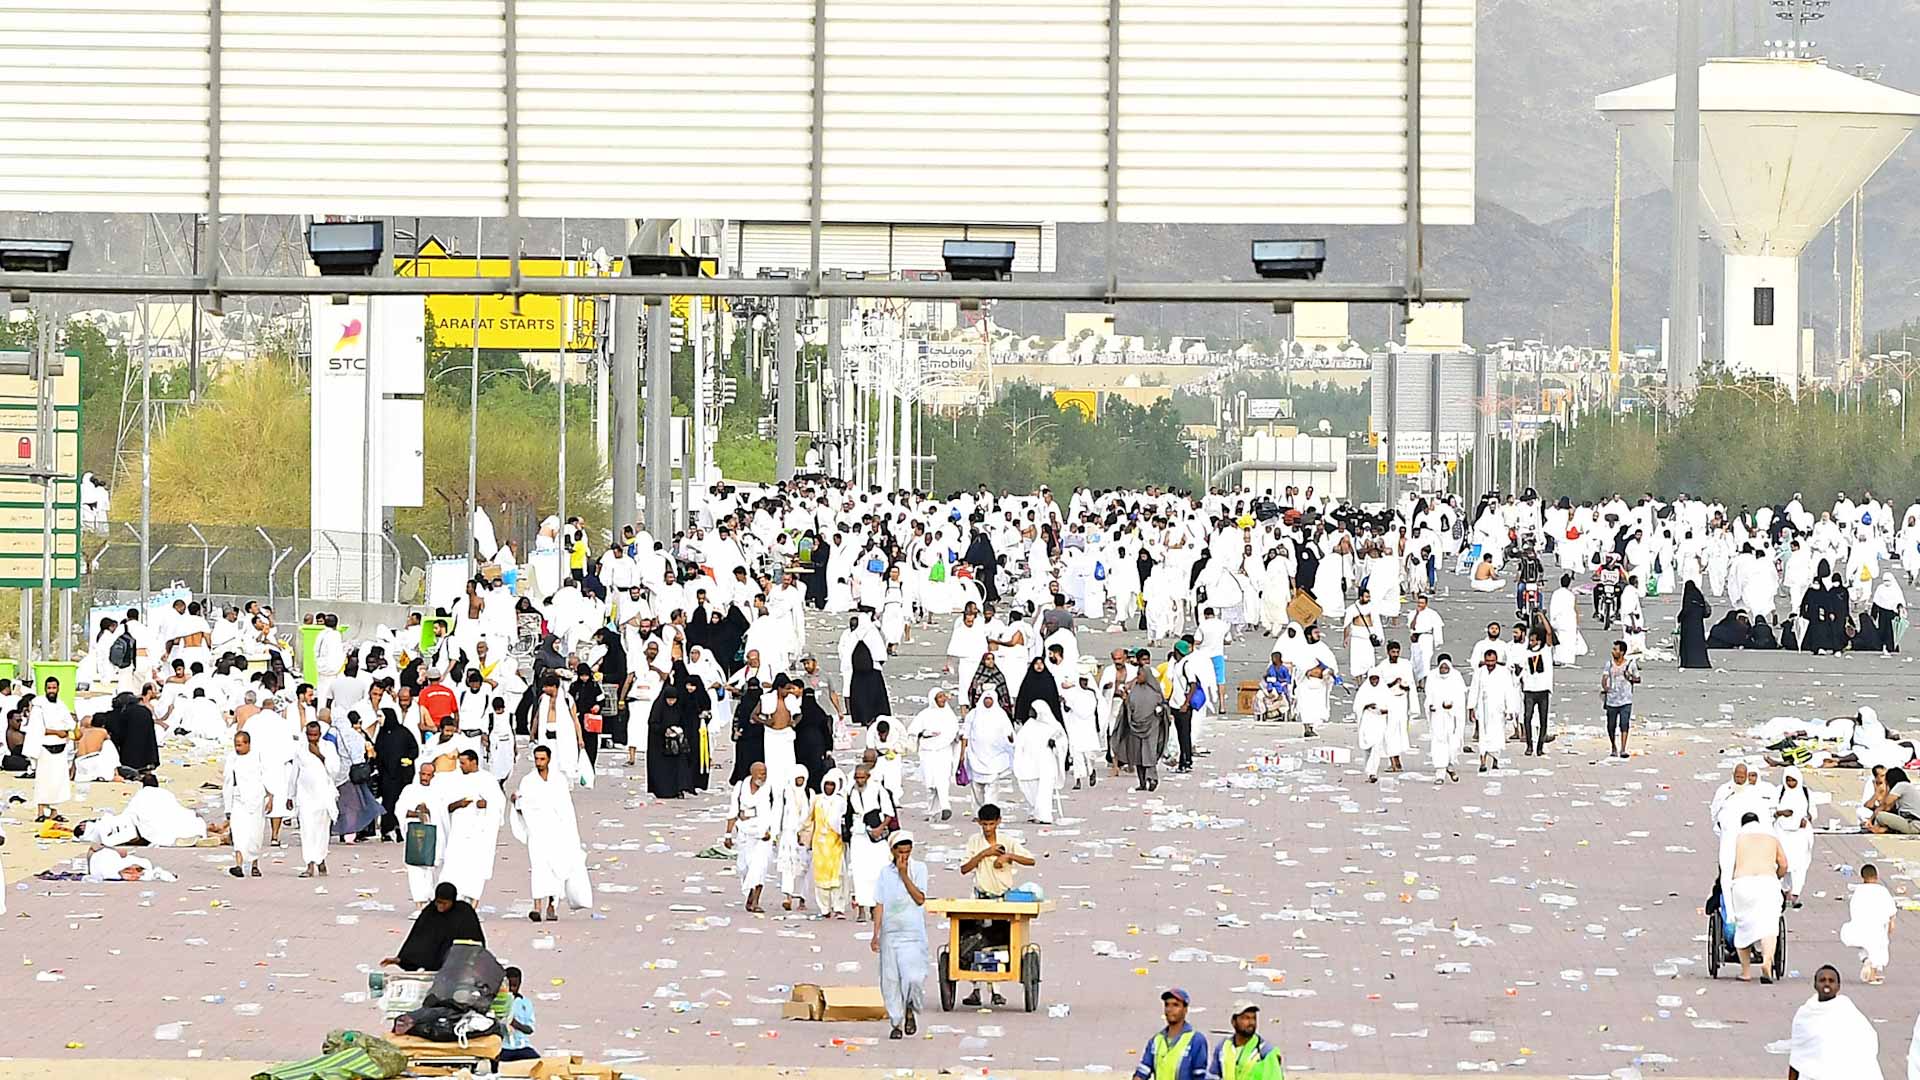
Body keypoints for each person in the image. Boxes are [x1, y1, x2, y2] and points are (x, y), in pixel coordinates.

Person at [956, 804, 1036, 1006]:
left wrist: (1008, 856)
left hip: (1002, 899)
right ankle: (975, 989)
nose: (988, 828)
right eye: (984, 824)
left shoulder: (1008, 841)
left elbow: (1030, 860)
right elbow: (964, 869)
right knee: (975, 941)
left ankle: (996, 990)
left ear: (999, 822)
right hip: (980, 898)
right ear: (979, 823)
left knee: (999, 943)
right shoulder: (974, 842)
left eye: (991, 824)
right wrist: (984, 854)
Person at [511, 745, 593, 922]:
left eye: (542, 759)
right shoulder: (528, 781)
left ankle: (552, 906)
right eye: (537, 759)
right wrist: (515, 802)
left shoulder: (559, 780)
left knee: (557, 869)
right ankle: (536, 907)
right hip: (537, 831)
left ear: (549, 759)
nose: (539, 762)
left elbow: (566, 807)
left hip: (558, 831)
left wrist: (570, 833)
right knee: (539, 868)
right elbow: (523, 804)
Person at [871, 830, 929, 1041]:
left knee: (913, 978)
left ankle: (910, 1008)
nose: (904, 856)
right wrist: (875, 934)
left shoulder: (919, 869)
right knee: (891, 980)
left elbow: (920, 898)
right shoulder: (885, 874)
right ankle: (896, 1022)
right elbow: (879, 904)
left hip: (913, 934)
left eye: (907, 851)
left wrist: (905, 874)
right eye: (900, 852)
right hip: (890, 934)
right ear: (893, 851)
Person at [1786, 965, 1882, 1080]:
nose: (1827, 984)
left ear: (1838, 986)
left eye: (1831, 981)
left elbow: (1867, 1041)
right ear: (1815, 985)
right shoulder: (1805, 1014)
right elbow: (1797, 1056)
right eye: (1822, 980)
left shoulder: (1848, 1012)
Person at [1727, 810, 1787, 983]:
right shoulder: (1771, 837)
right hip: (1767, 883)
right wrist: (1777, 876)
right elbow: (1784, 864)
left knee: (1744, 925)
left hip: (1743, 884)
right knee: (1769, 926)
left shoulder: (1736, 838)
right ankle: (1767, 961)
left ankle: (1746, 972)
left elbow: (1727, 866)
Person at [440, 749, 503, 904]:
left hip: (479, 832)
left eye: (463, 763)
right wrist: (460, 804)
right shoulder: (455, 780)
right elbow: (445, 807)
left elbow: (499, 803)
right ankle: (452, 899)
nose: (460, 766)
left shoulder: (487, 779)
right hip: (459, 831)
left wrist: (487, 805)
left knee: (475, 866)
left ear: (474, 762)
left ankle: (472, 903)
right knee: (454, 864)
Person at [383, 882, 484, 972]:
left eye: (445, 903)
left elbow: (475, 941)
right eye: (438, 902)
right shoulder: (431, 912)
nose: (440, 906)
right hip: (435, 966)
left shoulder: (464, 912)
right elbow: (417, 938)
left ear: (452, 901)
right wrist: (402, 959)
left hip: (459, 965)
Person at [725, 760, 777, 913]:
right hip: (745, 833)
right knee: (744, 868)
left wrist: (771, 831)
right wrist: (728, 834)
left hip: (763, 834)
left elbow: (773, 811)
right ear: (753, 774)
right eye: (761, 773)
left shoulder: (769, 788)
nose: (764, 776)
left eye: (765, 773)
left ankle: (755, 901)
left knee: (759, 867)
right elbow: (733, 810)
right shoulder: (741, 787)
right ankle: (749, 894)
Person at [904, 690, 961, 821]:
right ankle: (933, 812)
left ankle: (945, 806)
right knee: (931, 784)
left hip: (944, 751)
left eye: (943, 696)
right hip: (928, 752)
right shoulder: (924, 715)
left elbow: (954, 732)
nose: (942, 699)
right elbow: (912, 732)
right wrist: (924, 733)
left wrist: (958, 737)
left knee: (942, 780)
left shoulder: (949, 714)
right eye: (939, 697)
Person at [293, 720, 340, 878]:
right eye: (309, 735)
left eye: (315, 735)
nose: (312, 738)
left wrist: (319, 755)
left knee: (321, 830)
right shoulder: (300, 749)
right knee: (307, 830)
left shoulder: (328, 747)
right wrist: (290, 795)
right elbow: (294, 773)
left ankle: (320, 859)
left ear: (320, 734)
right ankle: (309, 864)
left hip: (323, 796)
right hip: (305, 796)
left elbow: (335, 771)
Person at [222, 729, 269, 878]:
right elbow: (228, 782)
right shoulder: (232, 758)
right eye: (236, 745)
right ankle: (239, 865)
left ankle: (255, 864)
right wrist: (228, 807)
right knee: (239, 832)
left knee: (255, 834)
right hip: (238, 799)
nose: (238, 748)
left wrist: (271, 798)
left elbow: (266, 778)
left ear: (248, 744)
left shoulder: (258, 757)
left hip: (256, 799)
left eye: (240, 745)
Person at [1839, 862, 1896, 984]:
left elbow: (1853, 908)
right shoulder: (1882, 891)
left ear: (1862, 877)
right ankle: (1872, 975)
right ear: (1876, 876)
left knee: (1866, 949)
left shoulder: (1858, 892)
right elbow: (1891, 909)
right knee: (1878, 949)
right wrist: (1891, 923)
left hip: (1860, 925)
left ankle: (1867, 962)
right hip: (1878, 926)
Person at [1133, 988, 1208, 1080]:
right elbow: (1143, 1070)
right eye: (1167, 1005)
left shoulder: (1196, 1040)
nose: (1170, 1009)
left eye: (1176, 1005)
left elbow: (1200, 1076)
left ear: (1185, 1009)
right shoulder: (1156, 1040)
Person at [26, 677, 74, 822]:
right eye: (49, 688)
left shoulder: (61, 705)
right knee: (43, 781)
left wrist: (71, 731)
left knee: (58, 782)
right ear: (45, 689)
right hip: (45, 749)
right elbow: (37, 729)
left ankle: (54, 812)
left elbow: (70, 723)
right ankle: (41, 812)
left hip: (60, 749)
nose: (52, 691)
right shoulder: (39, 706)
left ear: (58, 688)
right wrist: (57, 732)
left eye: (54, 688)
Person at [805, 767, 850, 917]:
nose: (829, 787)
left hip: (835, 843)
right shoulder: (817, 800)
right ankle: (824, 908)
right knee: (821, 877)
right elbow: (809, 819)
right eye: (827, 784)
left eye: (832, 784)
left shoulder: (841, 801)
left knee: (838, 877)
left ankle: (838, 907)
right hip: (820, 844)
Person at [1205, 1003, 1283, 1080]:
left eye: (1254, 1018)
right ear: (1233, 1022)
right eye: (1246, 1018)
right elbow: (1213, 1075)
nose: (1251, 1022)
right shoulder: (1223, 1047)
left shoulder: (1265, 1052)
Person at [1467, 647, 1513, 773]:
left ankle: (1495, 760)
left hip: (1498, 710)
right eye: (1488, 661)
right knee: (1483, 735)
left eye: (1492, 661)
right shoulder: (1480, 672)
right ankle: (1482, 761)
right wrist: (1471, 708)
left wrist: (1510, 709)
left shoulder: (1504, 672)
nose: (1490, 664)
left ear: (1496, 660)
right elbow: (1474, 689)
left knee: (1497, 735)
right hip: (1483, 708)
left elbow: (1509, 691)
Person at [1424, 654, 1466, 783]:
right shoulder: (1432, 676)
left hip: (1452, 717)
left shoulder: (1456, 677)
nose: (1444, 669)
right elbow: (1428, 694)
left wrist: (1452, 706)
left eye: (1446, 667)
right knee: (1438, 743)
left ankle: (1450, 765)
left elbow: (1460, 697)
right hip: (1437, 716)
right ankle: (1440, 773)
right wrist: (1431, 705)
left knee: (1452, 743)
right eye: (1441, 667)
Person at [1599, 639, 1638, 759]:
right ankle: (1613, 746)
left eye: (1615, 649)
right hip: (1612, 699)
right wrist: (1605, 687)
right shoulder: (1609, 664)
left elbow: (1638, 679)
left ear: (1622, 652)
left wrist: (1629, 676)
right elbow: (1604, 677)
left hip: (1626, 699)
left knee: (1624, 724)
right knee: (1611, 725)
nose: (1613, 652)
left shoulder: (1630, 664)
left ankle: (1623, 749)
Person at [1518, 628, 1552, 757]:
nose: (1530, 642)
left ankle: (1540, 746)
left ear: (1538, 641)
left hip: (1543, 690)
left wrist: (1541, 616)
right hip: (1529, 690)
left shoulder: (1545, 651)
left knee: (1543, 719)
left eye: (1533, 640)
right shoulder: (1526, 653)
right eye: (1530, 640)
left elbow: (1548, 632)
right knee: (1527, 717)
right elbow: (1521, 668)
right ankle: (1529, 745)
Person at [497, 966, 540, 1063]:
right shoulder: (497, 1002)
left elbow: (529, 1030)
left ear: (520, 983)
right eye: (509, 986)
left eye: (515, 986)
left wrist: (514, 1023)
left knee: (538, 1063)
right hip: (503, 1047)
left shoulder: (525, 1003)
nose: (512, 989)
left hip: (522, 1046)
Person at [1678, 581, 1712, 669]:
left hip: (1688, 627)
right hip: (1698, 627)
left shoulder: (1688, 596)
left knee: (1689, 645)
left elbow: (1686, 609)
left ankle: (1689, 662)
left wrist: (1679, 617)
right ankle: (1700, 662)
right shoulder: (1698, 596)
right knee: (1698, 644)